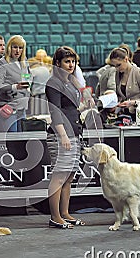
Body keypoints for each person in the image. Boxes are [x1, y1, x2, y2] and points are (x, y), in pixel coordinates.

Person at [45, 46, 85, 229]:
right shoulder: (53, 83)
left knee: (69, 176)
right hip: (61, 135)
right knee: (59, 176)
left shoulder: (71, 82)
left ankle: (65, 213)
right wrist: (62, 135)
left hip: (74, 132)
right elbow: (55, 111)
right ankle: (55, 216)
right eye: (67, 61)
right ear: (58, 63)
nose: (70, 65)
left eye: (73, 61)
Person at [0, 35, 31, 132]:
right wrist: (15, 87)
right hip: (9, 107)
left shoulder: (24, 61)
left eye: (21, 48)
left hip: (22, 106)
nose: (18, 50)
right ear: (9, 47)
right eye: (15, 47)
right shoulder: (2, 63)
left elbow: (28, 75)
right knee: (12, 140)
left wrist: (28, 83)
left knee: (21, 140)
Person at [109, 47, 140, 121]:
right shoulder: (118, 74)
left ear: (126, 59)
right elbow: (120, 95)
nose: (116, 68)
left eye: (118, 65)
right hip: (125, 115)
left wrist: (133, 103)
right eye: (114, 66)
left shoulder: (139, 73)